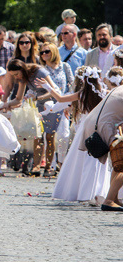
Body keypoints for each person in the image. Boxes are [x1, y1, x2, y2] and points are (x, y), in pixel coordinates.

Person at [39, 67, 111, 206]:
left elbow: (60, 98)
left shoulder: (81, 94)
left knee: (79, 162)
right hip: (100, 130)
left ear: (84, 80)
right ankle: (98, 192)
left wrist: (48, 87)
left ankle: (81, 192)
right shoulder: (104, 93)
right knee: (98, 162)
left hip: (84, 130)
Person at [3, 59, 58, 176]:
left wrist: (37, 98)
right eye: (13, 75)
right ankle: (36, 167)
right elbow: (18, 98)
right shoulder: (22, 78)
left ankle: (48, 167)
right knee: (37, 136)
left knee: (49, 136)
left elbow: (53, 91)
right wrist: (6, 105)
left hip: (52, 104)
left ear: (22, 69)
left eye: (17, 74)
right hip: (38, 106)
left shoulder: (40, 72)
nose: (16, 77)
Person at [38, 42, 74, 176]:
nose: (44, 55)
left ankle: (62, 162)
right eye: (42, 53)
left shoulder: (65, 67)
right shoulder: (42, 70)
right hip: (48, 105)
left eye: (46, 51)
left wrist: (69, 104)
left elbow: (72, 84)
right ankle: (50, 166)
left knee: (64, 135)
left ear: (53, 52)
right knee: (49, 137)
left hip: (63, 103)